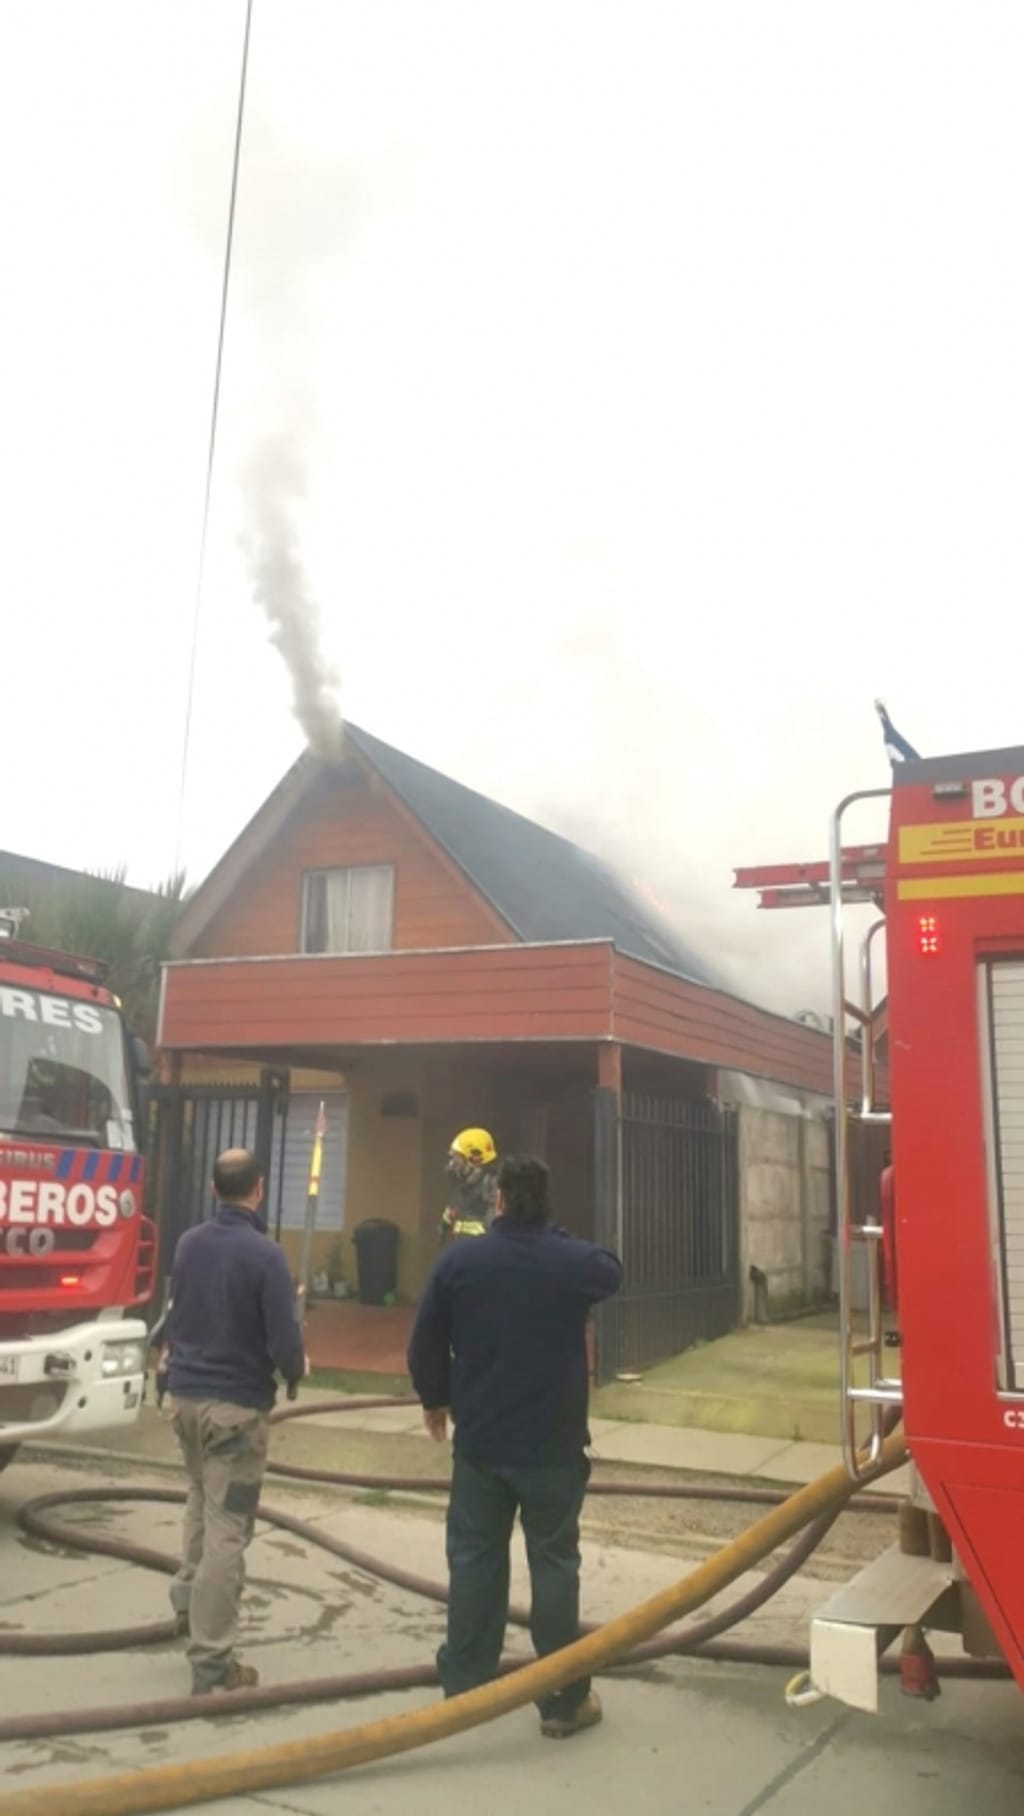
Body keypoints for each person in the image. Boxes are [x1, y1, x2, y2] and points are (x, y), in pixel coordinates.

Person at [408, 1154, 623, 1740]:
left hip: (481, 1441)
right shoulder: (571, 1261)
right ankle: (561, 1698)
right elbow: (612, 1269)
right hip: (552, 1445)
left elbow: (425, 1334)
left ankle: (465, 1689)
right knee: (554, 1565)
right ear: (546, 1205)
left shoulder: (461, 1261)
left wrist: (435, 1397)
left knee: (475, 1559)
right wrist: (551, 1233)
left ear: (498, 1200)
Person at [161, 1147, 307, 1694]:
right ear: (259, 1190)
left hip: (185, 1398)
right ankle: (213, 1660)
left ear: (212, 1186)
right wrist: (294, 1370)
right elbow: (283, 1337)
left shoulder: (188, 1244)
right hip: (234, 1409)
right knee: (228, 1527)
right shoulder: (266, 1256)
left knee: (200, 1498)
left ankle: (185, 1605)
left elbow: (178, 1314)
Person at [437, 1127, 500, 1243]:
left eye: (457, 1158)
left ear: (475, 1158)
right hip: (461, 1248)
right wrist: (444, 1224)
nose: (452, 1164)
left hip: (480, 1252)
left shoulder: (491, 1184)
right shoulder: (463, 1185)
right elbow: (454, 1207)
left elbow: (493, 1224)